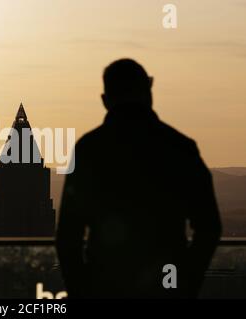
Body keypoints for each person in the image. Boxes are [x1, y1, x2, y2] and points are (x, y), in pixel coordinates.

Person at [56, 59, 222, 298]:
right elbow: (209, 226)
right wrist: (187, 282)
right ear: (149, 90)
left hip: (105, 288)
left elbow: (68, 235)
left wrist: (82, 290)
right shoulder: (180, 147)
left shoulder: (90, 148)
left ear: (105, 100)